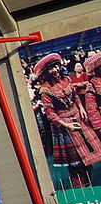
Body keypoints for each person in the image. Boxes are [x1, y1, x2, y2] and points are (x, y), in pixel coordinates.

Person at [35, 52, 101, 188]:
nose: (55, 71)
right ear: (45, 73)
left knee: (87, 160)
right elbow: (50, 114)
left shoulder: (67, 80)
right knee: (75, 164)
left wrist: (81, 108)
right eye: (51, 69)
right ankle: (82, 189)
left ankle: (90, 185)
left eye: (55, 67)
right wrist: (66, 125)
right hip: (65, 128)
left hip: (79, 118)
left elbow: (75, 96)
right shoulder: (45, 90)